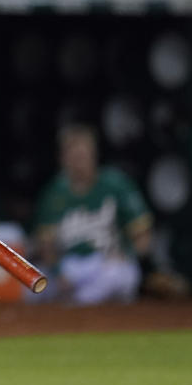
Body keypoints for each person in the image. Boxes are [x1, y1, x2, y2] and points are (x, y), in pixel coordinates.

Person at [33, 124, 153, 305]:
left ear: (94, 155)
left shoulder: (116, 185)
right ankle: (76, 304)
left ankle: (79, 305)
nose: (78, 162)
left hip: (106, 262)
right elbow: (46, 245)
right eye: (73, 156)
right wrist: (58, 273)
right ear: (63, 159)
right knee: (33, 283)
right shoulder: (55, 191)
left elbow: (143, 236)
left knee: (118, 276)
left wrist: (126, 253)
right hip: (70, 266)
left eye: (82, 156)